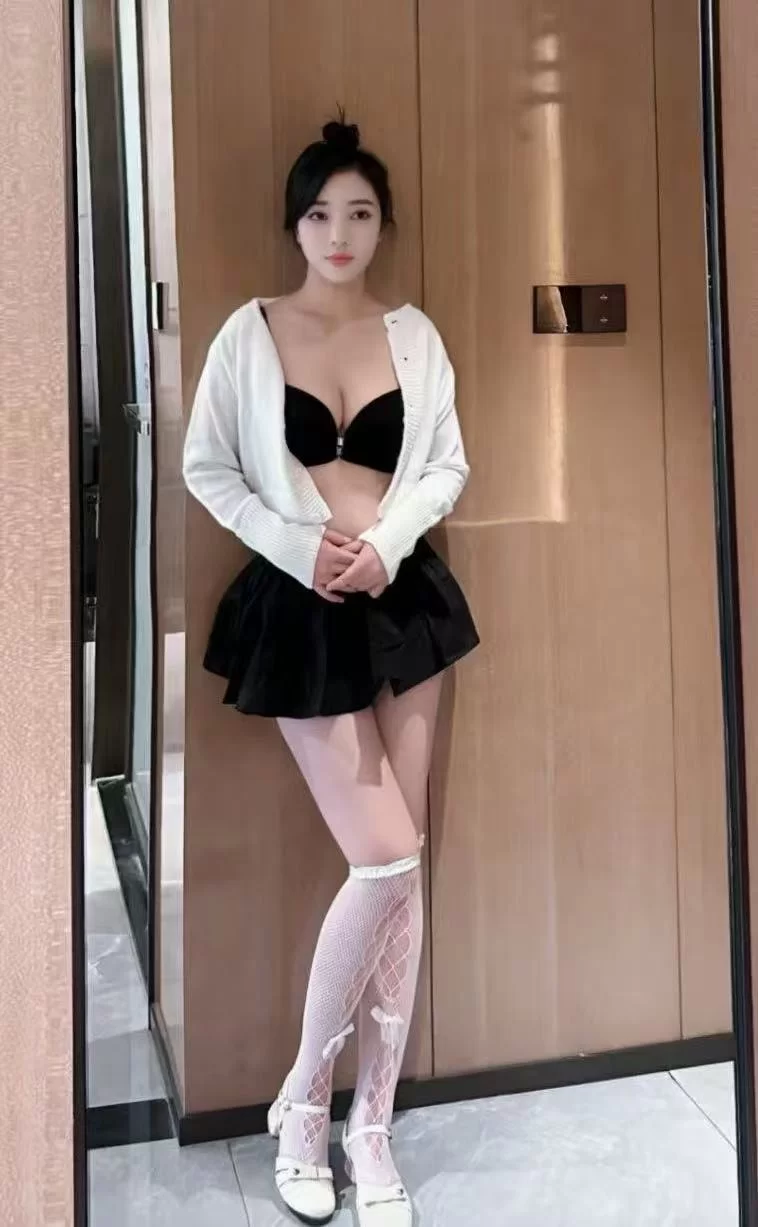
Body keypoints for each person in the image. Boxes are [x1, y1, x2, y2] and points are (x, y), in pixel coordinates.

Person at [182, 116, 479, 1226]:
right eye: (319, 213)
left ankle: (371, 1127)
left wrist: (387, 545)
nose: (339, 233)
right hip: (296, 606)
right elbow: (207, 467)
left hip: (402, 600)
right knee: (385, 857)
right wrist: (297, 545)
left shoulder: (414, 334)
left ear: (382, 224)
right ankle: (306, 1102)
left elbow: (444, 463)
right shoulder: (248, 332)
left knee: (405, 873)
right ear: (294, 224)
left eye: (358, 212)